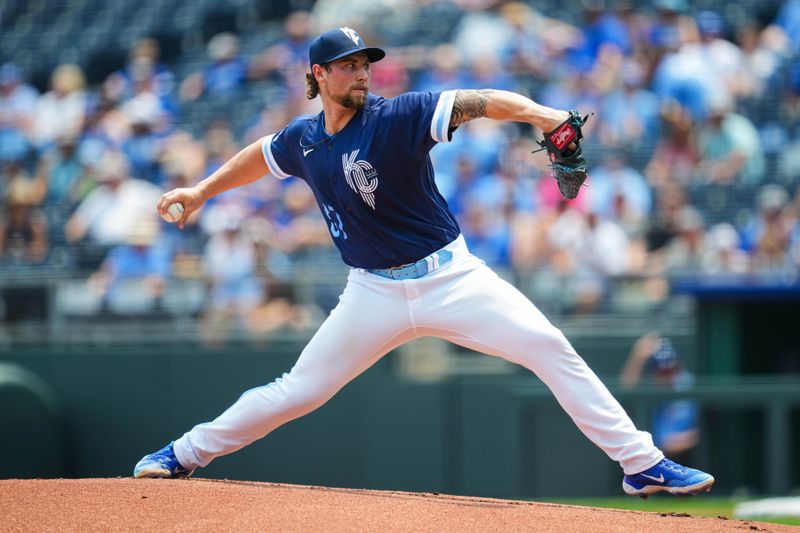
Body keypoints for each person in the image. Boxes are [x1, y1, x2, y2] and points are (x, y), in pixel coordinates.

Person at [133, 27, 714, 497]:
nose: (361, 72)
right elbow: (259, 156)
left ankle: (642, 464)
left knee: (549, 347)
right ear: (318, 74)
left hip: (450, 277)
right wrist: (201, 191)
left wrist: (543, 115)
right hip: (372, 294)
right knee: (297, 391)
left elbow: (479, 101)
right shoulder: (304, 139)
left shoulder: (398, 115)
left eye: (365, 63)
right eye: (347, 65)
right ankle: (182, 454)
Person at [620, 333, 700, 462]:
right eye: (662, 372)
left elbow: (697, 434)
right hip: (658, 456)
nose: (667, 376)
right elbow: (627, 388)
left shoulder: (687, 385)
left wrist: (666, 443)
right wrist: (638, 356)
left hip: (688, 459)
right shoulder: (654, 386)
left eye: (670, 370)